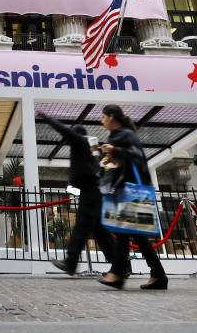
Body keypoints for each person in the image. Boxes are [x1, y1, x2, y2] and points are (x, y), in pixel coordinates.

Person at [38, 113, 122, 277]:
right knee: (100, 231)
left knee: (82, 227)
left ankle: (71, 262)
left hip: (90, 190)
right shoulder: (90, 149)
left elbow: (63, 130)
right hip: (94, 190)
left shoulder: (80, 142)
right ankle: (120, 266)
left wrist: (46, 118)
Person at [96, 104, 167, 290]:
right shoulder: (116, 136)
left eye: (103, 117)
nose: (101, 120)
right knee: (134, 234)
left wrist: (116, 150)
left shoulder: (126, 134)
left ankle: (118, 273)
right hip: (123, 190)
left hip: (131, 191)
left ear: (111, 116)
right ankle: (158, 275)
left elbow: (137, 157)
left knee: (123, 231)